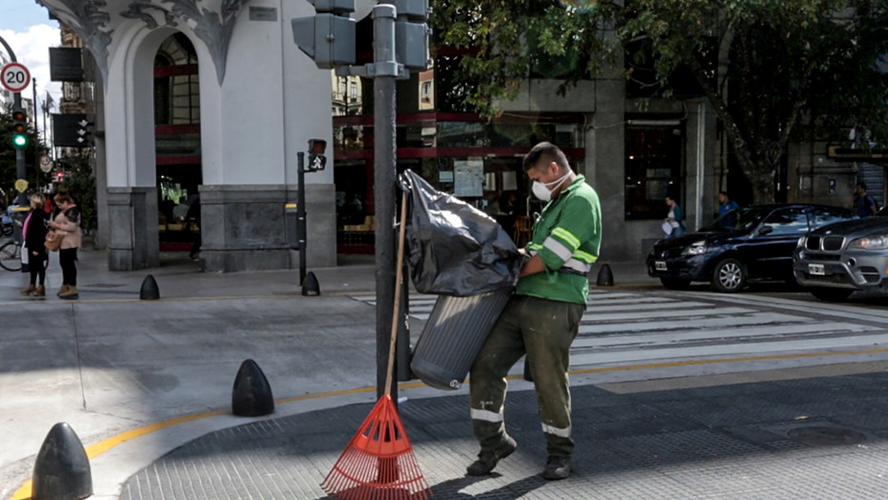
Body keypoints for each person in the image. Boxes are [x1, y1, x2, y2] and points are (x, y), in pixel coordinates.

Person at [466, 142, 601, 481]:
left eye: (537, 177)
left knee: (548, 378)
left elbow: (549, 257)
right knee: (484, 363)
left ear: (554, 169)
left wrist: (506, 271)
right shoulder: (557, 202)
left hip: (557, 300)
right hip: (524, 297)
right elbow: (536, 249)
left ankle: (559, 454)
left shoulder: (582, 200)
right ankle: (493, 443)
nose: (535, 185)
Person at [48, 190, 82, 300]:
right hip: (64, 240)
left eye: (60, 204)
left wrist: (56, 225)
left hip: (70, 240)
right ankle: (66, 284)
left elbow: (71, 227)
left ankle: (72, 286)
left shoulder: (72, 211)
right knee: (64, 263)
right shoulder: (67, 210)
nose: (59, 207)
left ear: (66, 202)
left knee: (68, 264)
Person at [19, 193, 50, 297]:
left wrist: (37, 247)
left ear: (36, 203)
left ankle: (40, 286)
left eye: (32, 201)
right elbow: (31, 228)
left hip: (36, 244)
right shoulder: (33, 213)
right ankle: (32, 284)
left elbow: (39, 231)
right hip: (32, 243)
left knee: (39, 266)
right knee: (33, 266)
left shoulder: (38, 214)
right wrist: (23, 226)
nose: (30, 203)